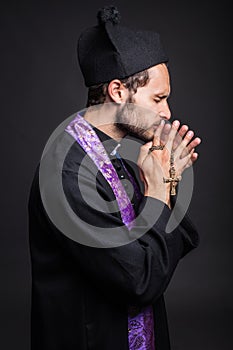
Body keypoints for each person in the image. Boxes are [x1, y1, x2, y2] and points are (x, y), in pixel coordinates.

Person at [28, 6, 201, 350]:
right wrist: (158, 190)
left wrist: (167, 182)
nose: (167, 111)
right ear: (119, 91)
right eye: (158, 98)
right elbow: (139, 280)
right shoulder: (67, 171)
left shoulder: (107, 156)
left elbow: (153, 254)